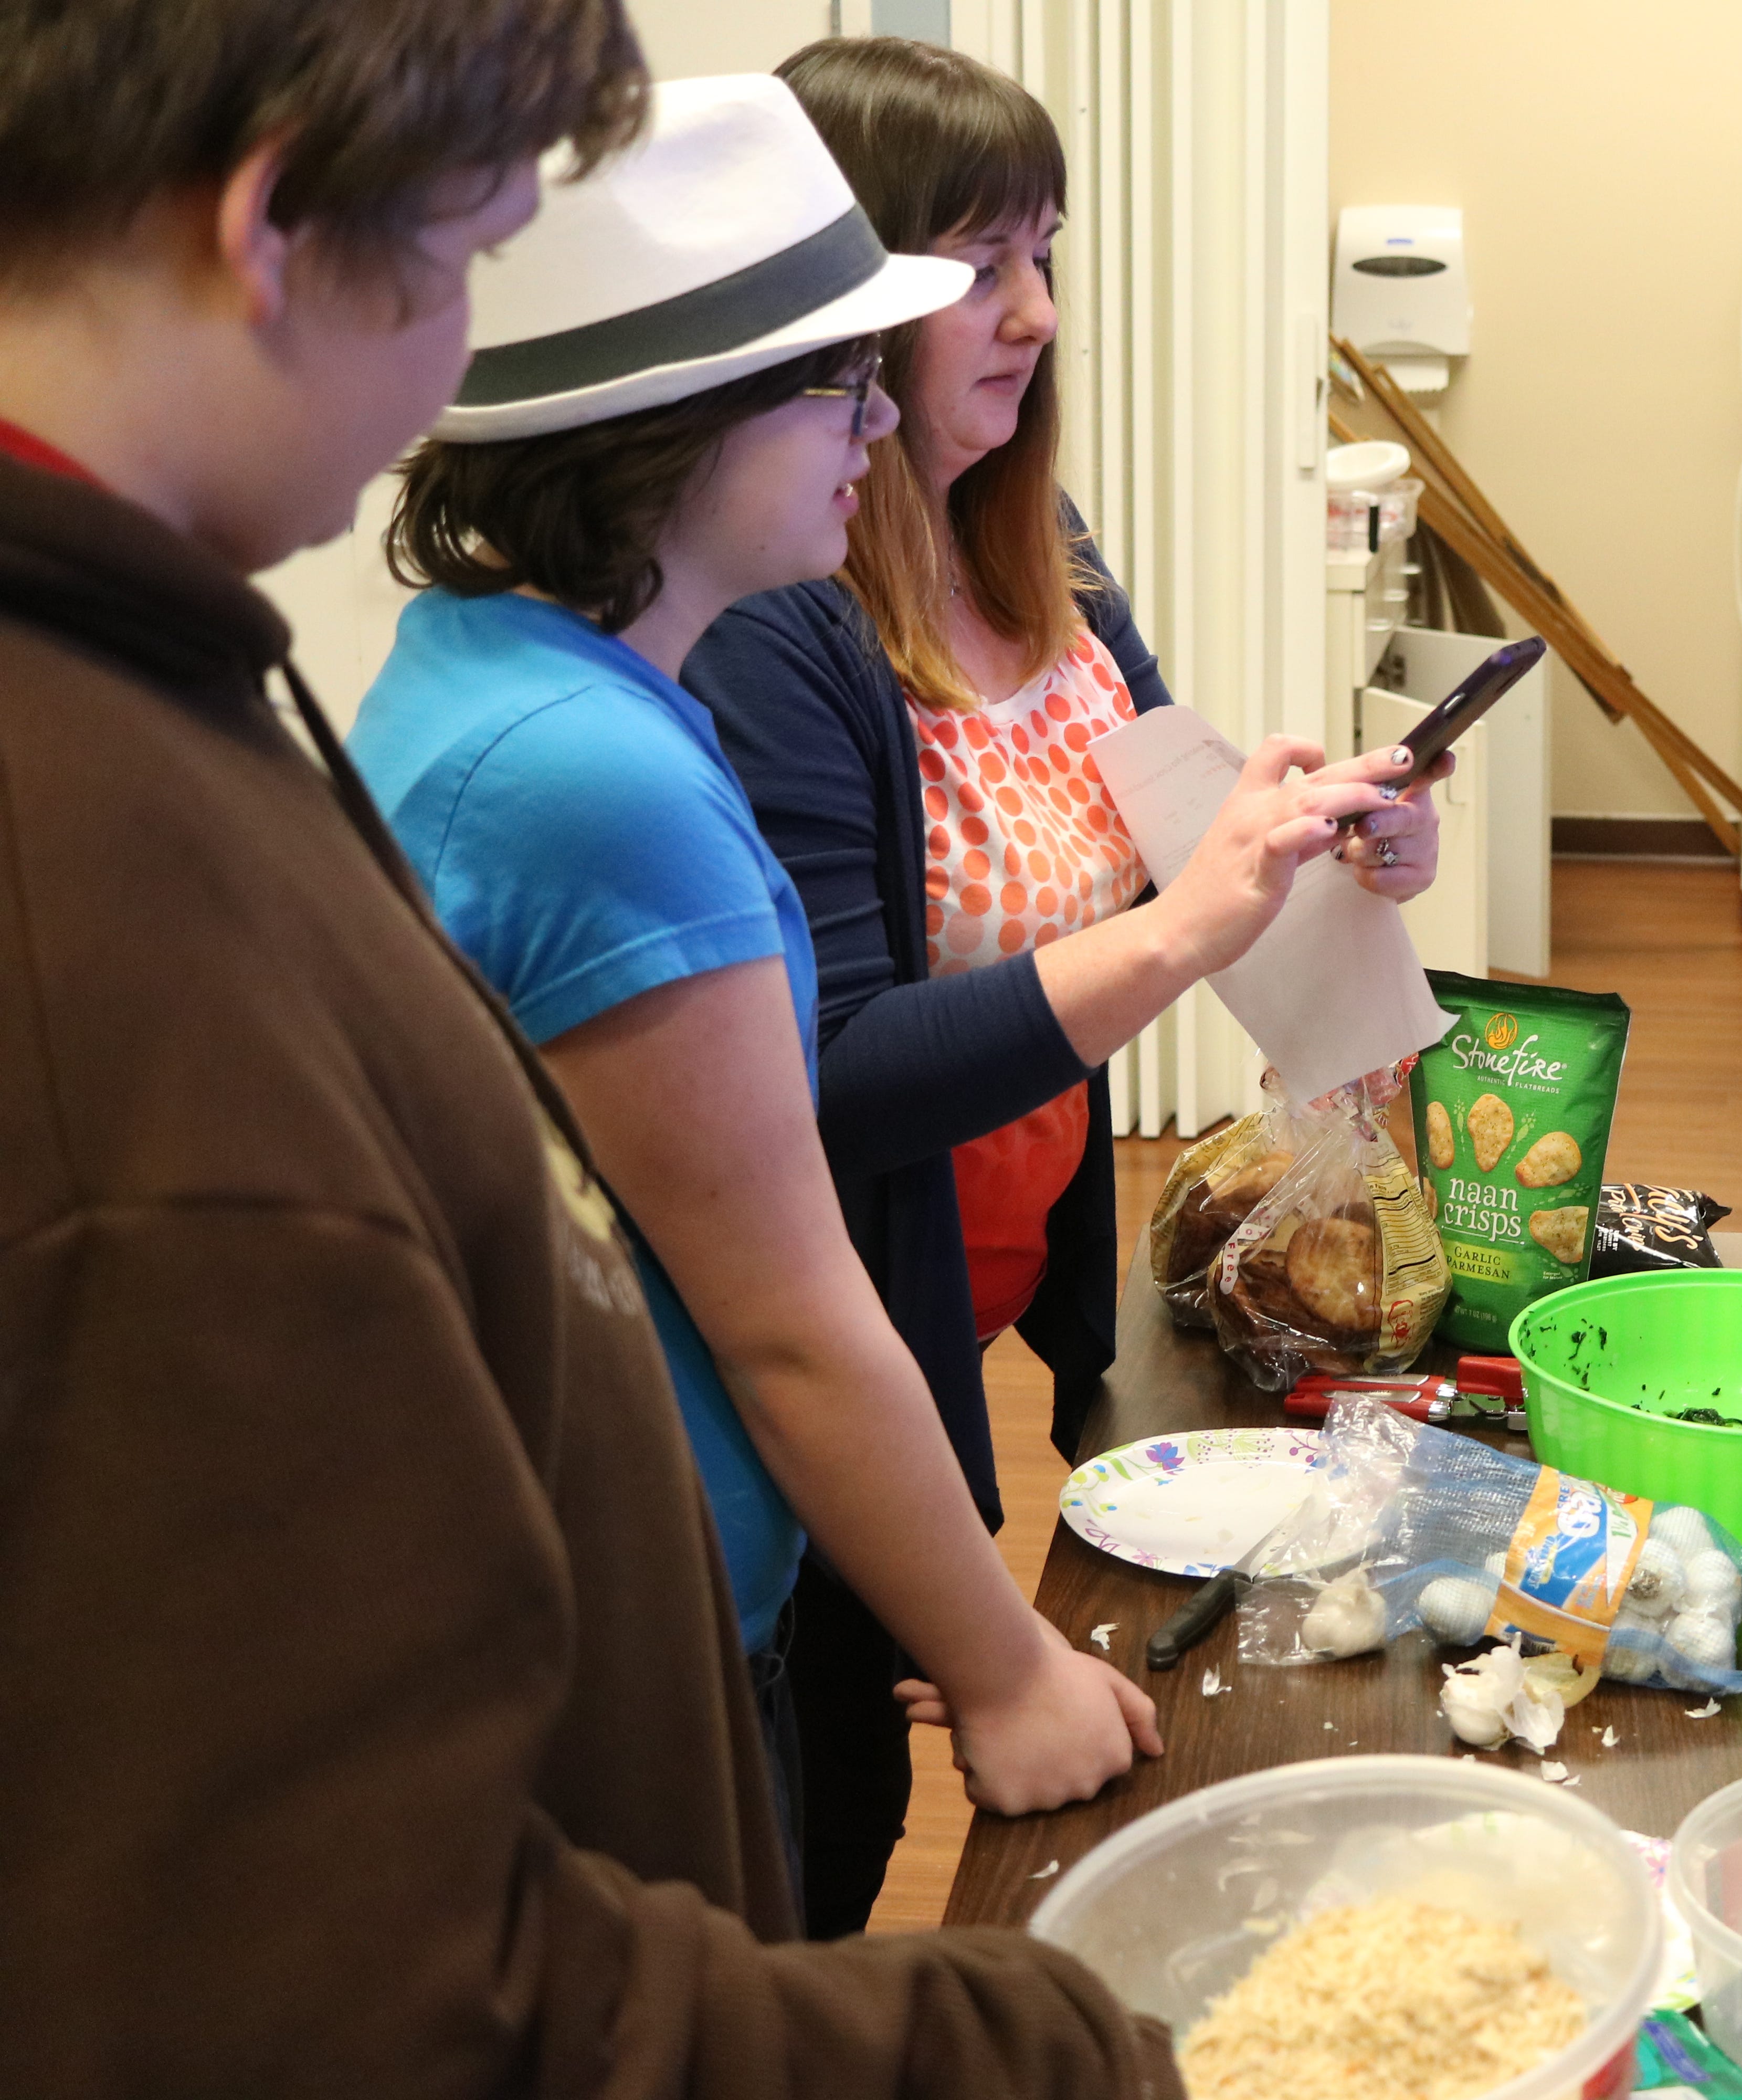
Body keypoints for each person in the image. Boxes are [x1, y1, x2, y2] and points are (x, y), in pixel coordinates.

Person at [0, 4, 1180, 2091]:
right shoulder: (494, 783)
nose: (455, 360)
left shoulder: (292, 684)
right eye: (451, 263)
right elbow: (356, 1973)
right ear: (275, 218)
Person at [678, 36, 1444, 1936]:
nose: (1030, 313)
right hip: (838, 1310)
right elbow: (835, 1076)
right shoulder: (784, 622)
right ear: (839, 298)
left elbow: (1168, 845)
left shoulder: (1046, 555)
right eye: (973, 263)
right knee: (821, 1838)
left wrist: (1335, 852)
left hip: (1006, 1250)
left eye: (1045, 256)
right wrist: (1189, 927)